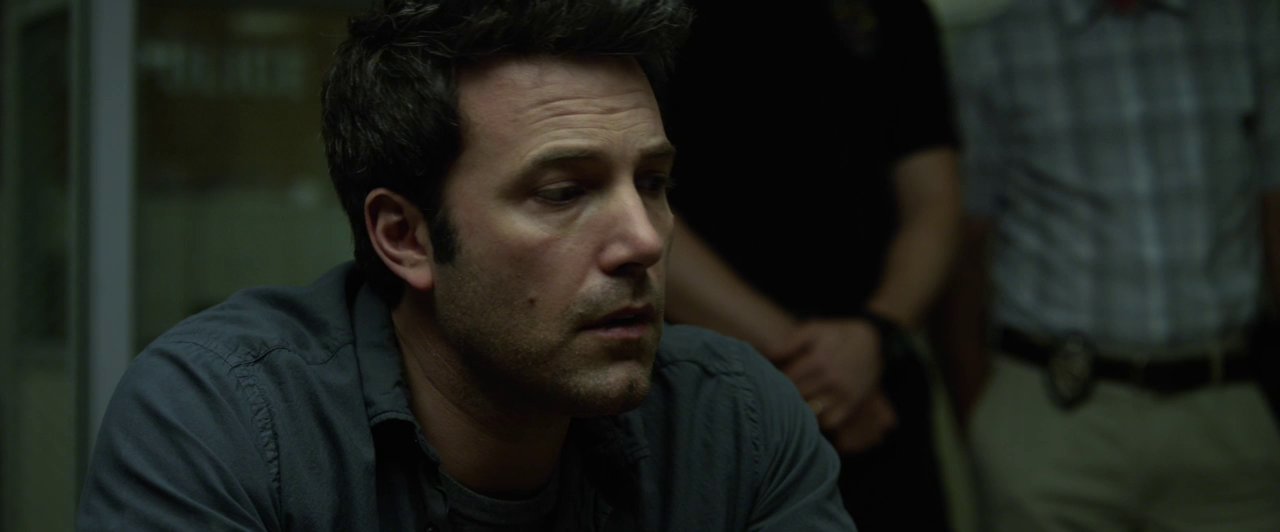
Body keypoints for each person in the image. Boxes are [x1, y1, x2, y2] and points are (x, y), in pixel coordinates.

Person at [76, 1, 857, 529]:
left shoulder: (730, 424)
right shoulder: (229, 422)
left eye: (652, 183)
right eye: (563, 192)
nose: (645, 241)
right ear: (405, 237)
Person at [946, 0, 1280, 530]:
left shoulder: (1250, 26)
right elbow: (963, 246)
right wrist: (983, 415)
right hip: (1055, 407)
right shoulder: (994, 50)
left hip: (1224, 403)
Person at [663, 1, 961, 529]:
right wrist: (820, 370)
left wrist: (875, 332)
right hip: (709, 389)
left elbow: (934, 202)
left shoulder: (896, 13)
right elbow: (635, 209)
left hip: (877, 387)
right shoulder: (652, 12)